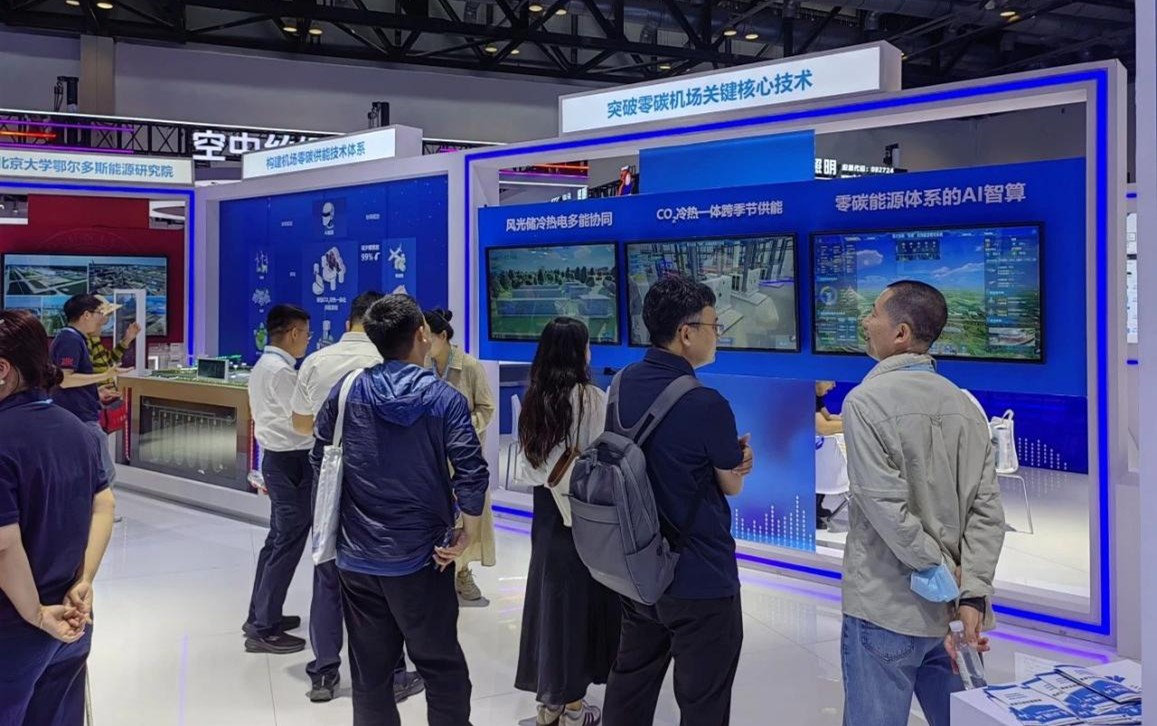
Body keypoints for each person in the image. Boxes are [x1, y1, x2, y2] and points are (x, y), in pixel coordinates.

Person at [312, 294, 488, 726]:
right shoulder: (444, 399)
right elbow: (471, 471)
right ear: (422, 334)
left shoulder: (347, 390)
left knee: (370, 674)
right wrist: (467, 529)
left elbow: (320, 459)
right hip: (425, 557)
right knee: (441, 665)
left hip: (357, 558)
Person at [840, 280, 1006, 726]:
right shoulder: (966, 406)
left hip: (887, 608)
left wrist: (945, 580)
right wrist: (971, 595)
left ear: (901, 333)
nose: (866, 322)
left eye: (875, 313)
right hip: (954, 617)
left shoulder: (864, 403)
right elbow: (987, 512)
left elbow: (886, 509)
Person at [602, 274, 753, 726]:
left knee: (629, 688)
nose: (717, 334)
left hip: (638, 567)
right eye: (713, 325)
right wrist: (738, 462)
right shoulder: (707, 403)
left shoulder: (621, 384)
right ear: (687, 333)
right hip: (699, 577)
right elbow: (731, 485)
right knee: (703, 702)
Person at [289, 291, 424, 704]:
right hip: (385, 481)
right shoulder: (391, 362)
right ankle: (394, 674)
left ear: (349, 322)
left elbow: (300, 425)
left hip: (329, 476)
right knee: (384, 577)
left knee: (327, 569)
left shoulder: (316, 360)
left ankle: (324, 672)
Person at [0, 311, 117, 726]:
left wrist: (35, 614)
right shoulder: (78, 430)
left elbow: (5, 545)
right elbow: (105, 505)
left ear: (3, 368)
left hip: (16, 625)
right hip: (73, 614)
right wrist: (84, 581)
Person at [514, 317, 621, 726]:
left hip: (546, 511)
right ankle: (574, 709)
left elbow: (528, 468)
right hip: (584, 512)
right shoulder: (594, 398)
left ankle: (549, 708)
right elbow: (604, 457)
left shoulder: (534, 398)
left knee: (548, 602)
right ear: (579, 353)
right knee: (580, 607)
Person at [243, 304, 314, 655]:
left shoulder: (264, 366)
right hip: (291, 462)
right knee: (287, 542)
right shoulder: (282, 372)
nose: (307, 341)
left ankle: (260, 614)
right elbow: (303, 421)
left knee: (277, 540)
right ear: (294, 333)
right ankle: (264, 628)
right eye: (307, 334)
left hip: (278, 460)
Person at [424, 307, 497, 602]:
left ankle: (463, 572)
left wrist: (462, 428)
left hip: (463, 458)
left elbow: (487, 408)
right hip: (431, 457)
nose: (424, 342)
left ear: (443, 336)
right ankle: (437, 570)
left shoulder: (470, 366)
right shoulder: (423, 364)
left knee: (467, 516)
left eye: (428, 336)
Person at [49, 294, 125, 488]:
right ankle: (97, 506)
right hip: (79, 416)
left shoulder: (75, 339)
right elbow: (65, 380)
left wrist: (95, 392)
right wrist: (105, 375)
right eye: (99, 313)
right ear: (86, 315)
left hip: (79, 413)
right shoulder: (70, 340)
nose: (102, 318)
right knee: (104, 473)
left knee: (93, 472)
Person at [815, 380, 843, 530]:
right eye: (831, 381)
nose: (833, 386)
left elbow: (828, 418)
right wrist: (851, 423)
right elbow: (823, 427)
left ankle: (817, 506)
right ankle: (811, 511)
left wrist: (845, 418)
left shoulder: (817, 397)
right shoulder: (806, 395)